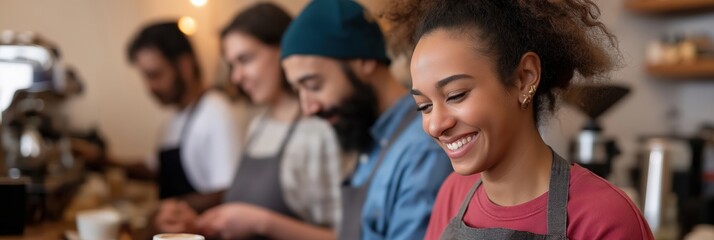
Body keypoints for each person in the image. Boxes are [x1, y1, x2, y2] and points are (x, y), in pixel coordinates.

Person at [384, 0, 655, 239]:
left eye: (456, 95)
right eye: (424, 106)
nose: (435, 125)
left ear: (524, 77)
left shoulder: (604, 219)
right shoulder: (453, 194)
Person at [154, 3, 344, 239]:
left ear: (283, 49)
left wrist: (262, 223)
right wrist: (198, 227)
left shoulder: (319, 131)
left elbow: (345, 235)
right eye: (232, 65)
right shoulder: (259, 125)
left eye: (245, 59)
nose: (236, 76)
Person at [280, 1, 453, 239]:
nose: (308, 108)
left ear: (365, 61)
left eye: (313, 85)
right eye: (297, 90)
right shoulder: (373, 137)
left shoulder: (422, 149)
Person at [74, 22, 240, 215]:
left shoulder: (215, 112)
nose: (150, 87)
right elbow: (155, 169)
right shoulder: (174, 120)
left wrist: (163, 211)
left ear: (185, 65)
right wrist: (103, 161)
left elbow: (228, 192)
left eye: (155, 75)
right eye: (145, 77)